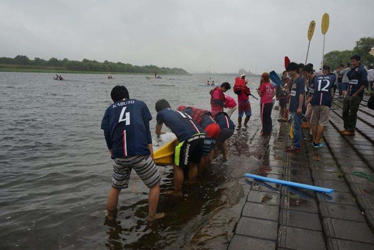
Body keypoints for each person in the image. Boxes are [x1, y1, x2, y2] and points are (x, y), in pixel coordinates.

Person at [101, 86, 164, 221]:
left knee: (115, 187)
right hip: (139, 153)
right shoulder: (140, 104)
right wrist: (151, 155)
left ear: (114, 100)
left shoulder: (109, 110)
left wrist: (113, 153)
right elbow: (146, 132)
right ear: (128, 95)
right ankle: (151, 216)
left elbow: (107, 134)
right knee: (155, 184)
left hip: (119, 155)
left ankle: (110, 215)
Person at [155, 100, 205, 196]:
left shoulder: (161, 113)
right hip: (201, 135)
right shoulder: (180, 112)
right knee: (193, 163)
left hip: (188, 138)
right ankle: (191, 183)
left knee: (177, 166)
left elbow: (158, 129)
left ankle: (178, 191)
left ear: (158, 110)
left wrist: (159, 134)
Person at [176, 106, 220, 171]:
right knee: (210, 149)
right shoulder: (195, 110)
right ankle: (209, 164)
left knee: (202, 154)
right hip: (216, 126)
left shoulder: (185, 112)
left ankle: (201, 171)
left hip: (209, 128)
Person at [341, 55, 368, 136]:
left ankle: (351, 129)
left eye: (354, 61)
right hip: (349, 93)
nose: (352, 63)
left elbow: (364, 84)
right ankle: (346, 127)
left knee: (353, 112)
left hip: (356, 95)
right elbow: (348, 78)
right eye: (351, 61)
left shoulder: (362, 70)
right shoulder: (351, 70)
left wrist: (356, 94)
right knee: (344, 111)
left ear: (358, 61)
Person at [310, 66, 336, 148]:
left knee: (314, 122)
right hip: (325, 102)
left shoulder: (317, 78)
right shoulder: (332, 77)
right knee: (322, 123)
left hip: (316, 101)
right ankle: (317, 141)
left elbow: (311, 88)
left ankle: (313, 140)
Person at [285, 62, 305, 153]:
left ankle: (296, 146)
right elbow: (294, 93)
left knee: (296, 127)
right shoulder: (294, 80)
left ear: (294, 70)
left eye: (289, 71)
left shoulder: (300, 80)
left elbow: (301, 94)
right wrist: (289, 94)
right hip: (293, 106)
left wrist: (300, 107)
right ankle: (295, 144)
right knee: (294, 126)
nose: (288, 73)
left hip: (297, 107)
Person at [302, 65, 316, 141]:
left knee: (313, 118)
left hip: (314, 101)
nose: (305, 75)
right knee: (307, 116)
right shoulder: (310, 79)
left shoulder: (316, 79)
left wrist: (308, 100)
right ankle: (311, 132)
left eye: (306, 73)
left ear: (310, 72)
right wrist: (306, 97)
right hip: (310, 100)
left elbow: (315, 93)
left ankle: (312, 134)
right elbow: (309, 89)